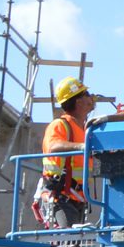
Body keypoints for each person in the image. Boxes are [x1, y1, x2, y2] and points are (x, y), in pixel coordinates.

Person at [32, 80, 96, 230]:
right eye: (86, 94)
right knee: (67, 240)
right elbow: (52, 146)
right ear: (78, 101)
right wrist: (81, 147)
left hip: (78, 198)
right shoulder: (60, 125)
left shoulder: (85, 129)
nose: (91, 97)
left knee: (75, 243)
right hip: (61, 196)